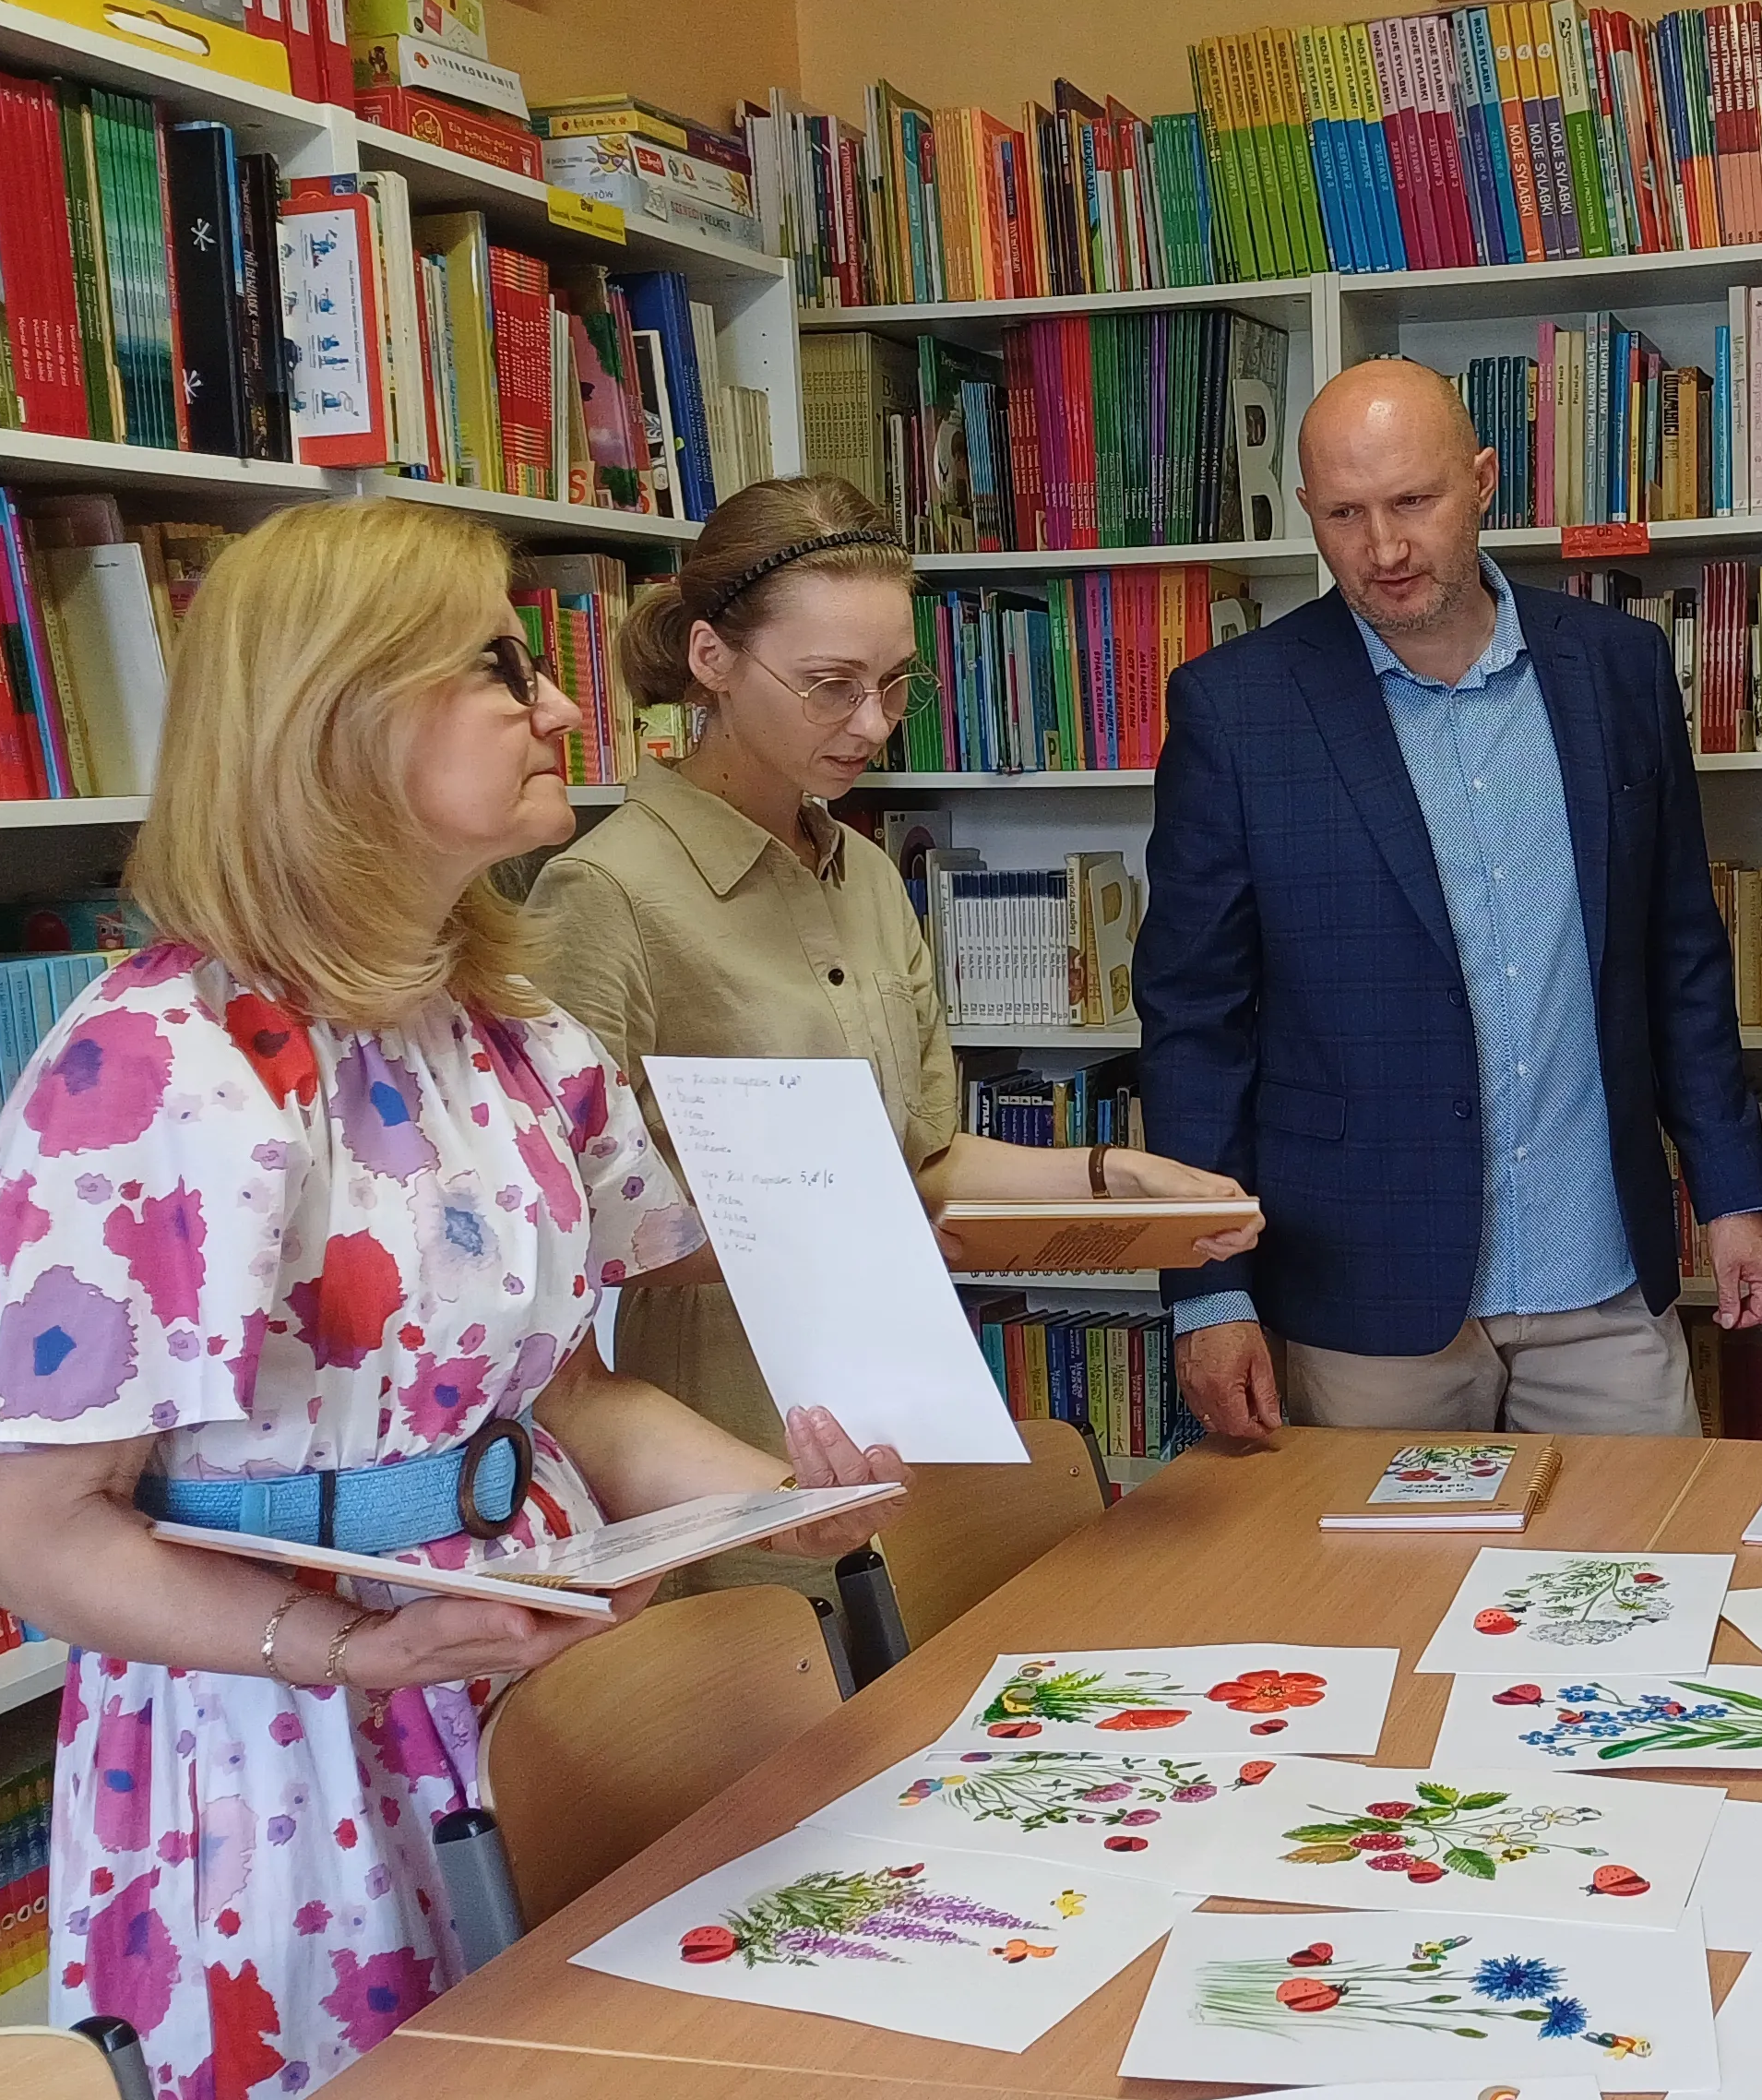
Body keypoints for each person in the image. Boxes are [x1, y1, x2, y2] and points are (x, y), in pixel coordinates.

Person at [0, 500, 899, 2100]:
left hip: (530, 1676)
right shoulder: (156, 1071)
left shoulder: (515, 1031)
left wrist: (776, 1498)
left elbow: (570, 1395)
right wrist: (340, 1651)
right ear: (343, 718)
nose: (564, 707)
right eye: (502, 670)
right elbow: (28, 1532)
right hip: (287, 1743)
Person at [524, 478, 1257, 1591]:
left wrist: (1114, 1177)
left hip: (909, 1411)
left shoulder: (864, 872)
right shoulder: (605, 893)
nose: (870, 723)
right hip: (731, 1433)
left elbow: (924, 1158)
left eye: (893, 683)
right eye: (829, 685)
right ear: (712, 658)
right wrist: (855, 1237)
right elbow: (570, 1239)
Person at [1139, 358, 1762, 1439]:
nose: (1383, 549)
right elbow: (1193, 1025)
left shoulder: (1618, 669)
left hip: (1600, 1277)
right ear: (1305, 509)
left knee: (1647, 1548)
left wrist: (1730, 1191)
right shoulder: (1235, 710)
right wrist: (1207, 1291)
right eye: (1344, 515)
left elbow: (1680, 955)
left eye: (1412, 502)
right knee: (1372, 1564)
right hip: (1363, 1290)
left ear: (1482, 481)